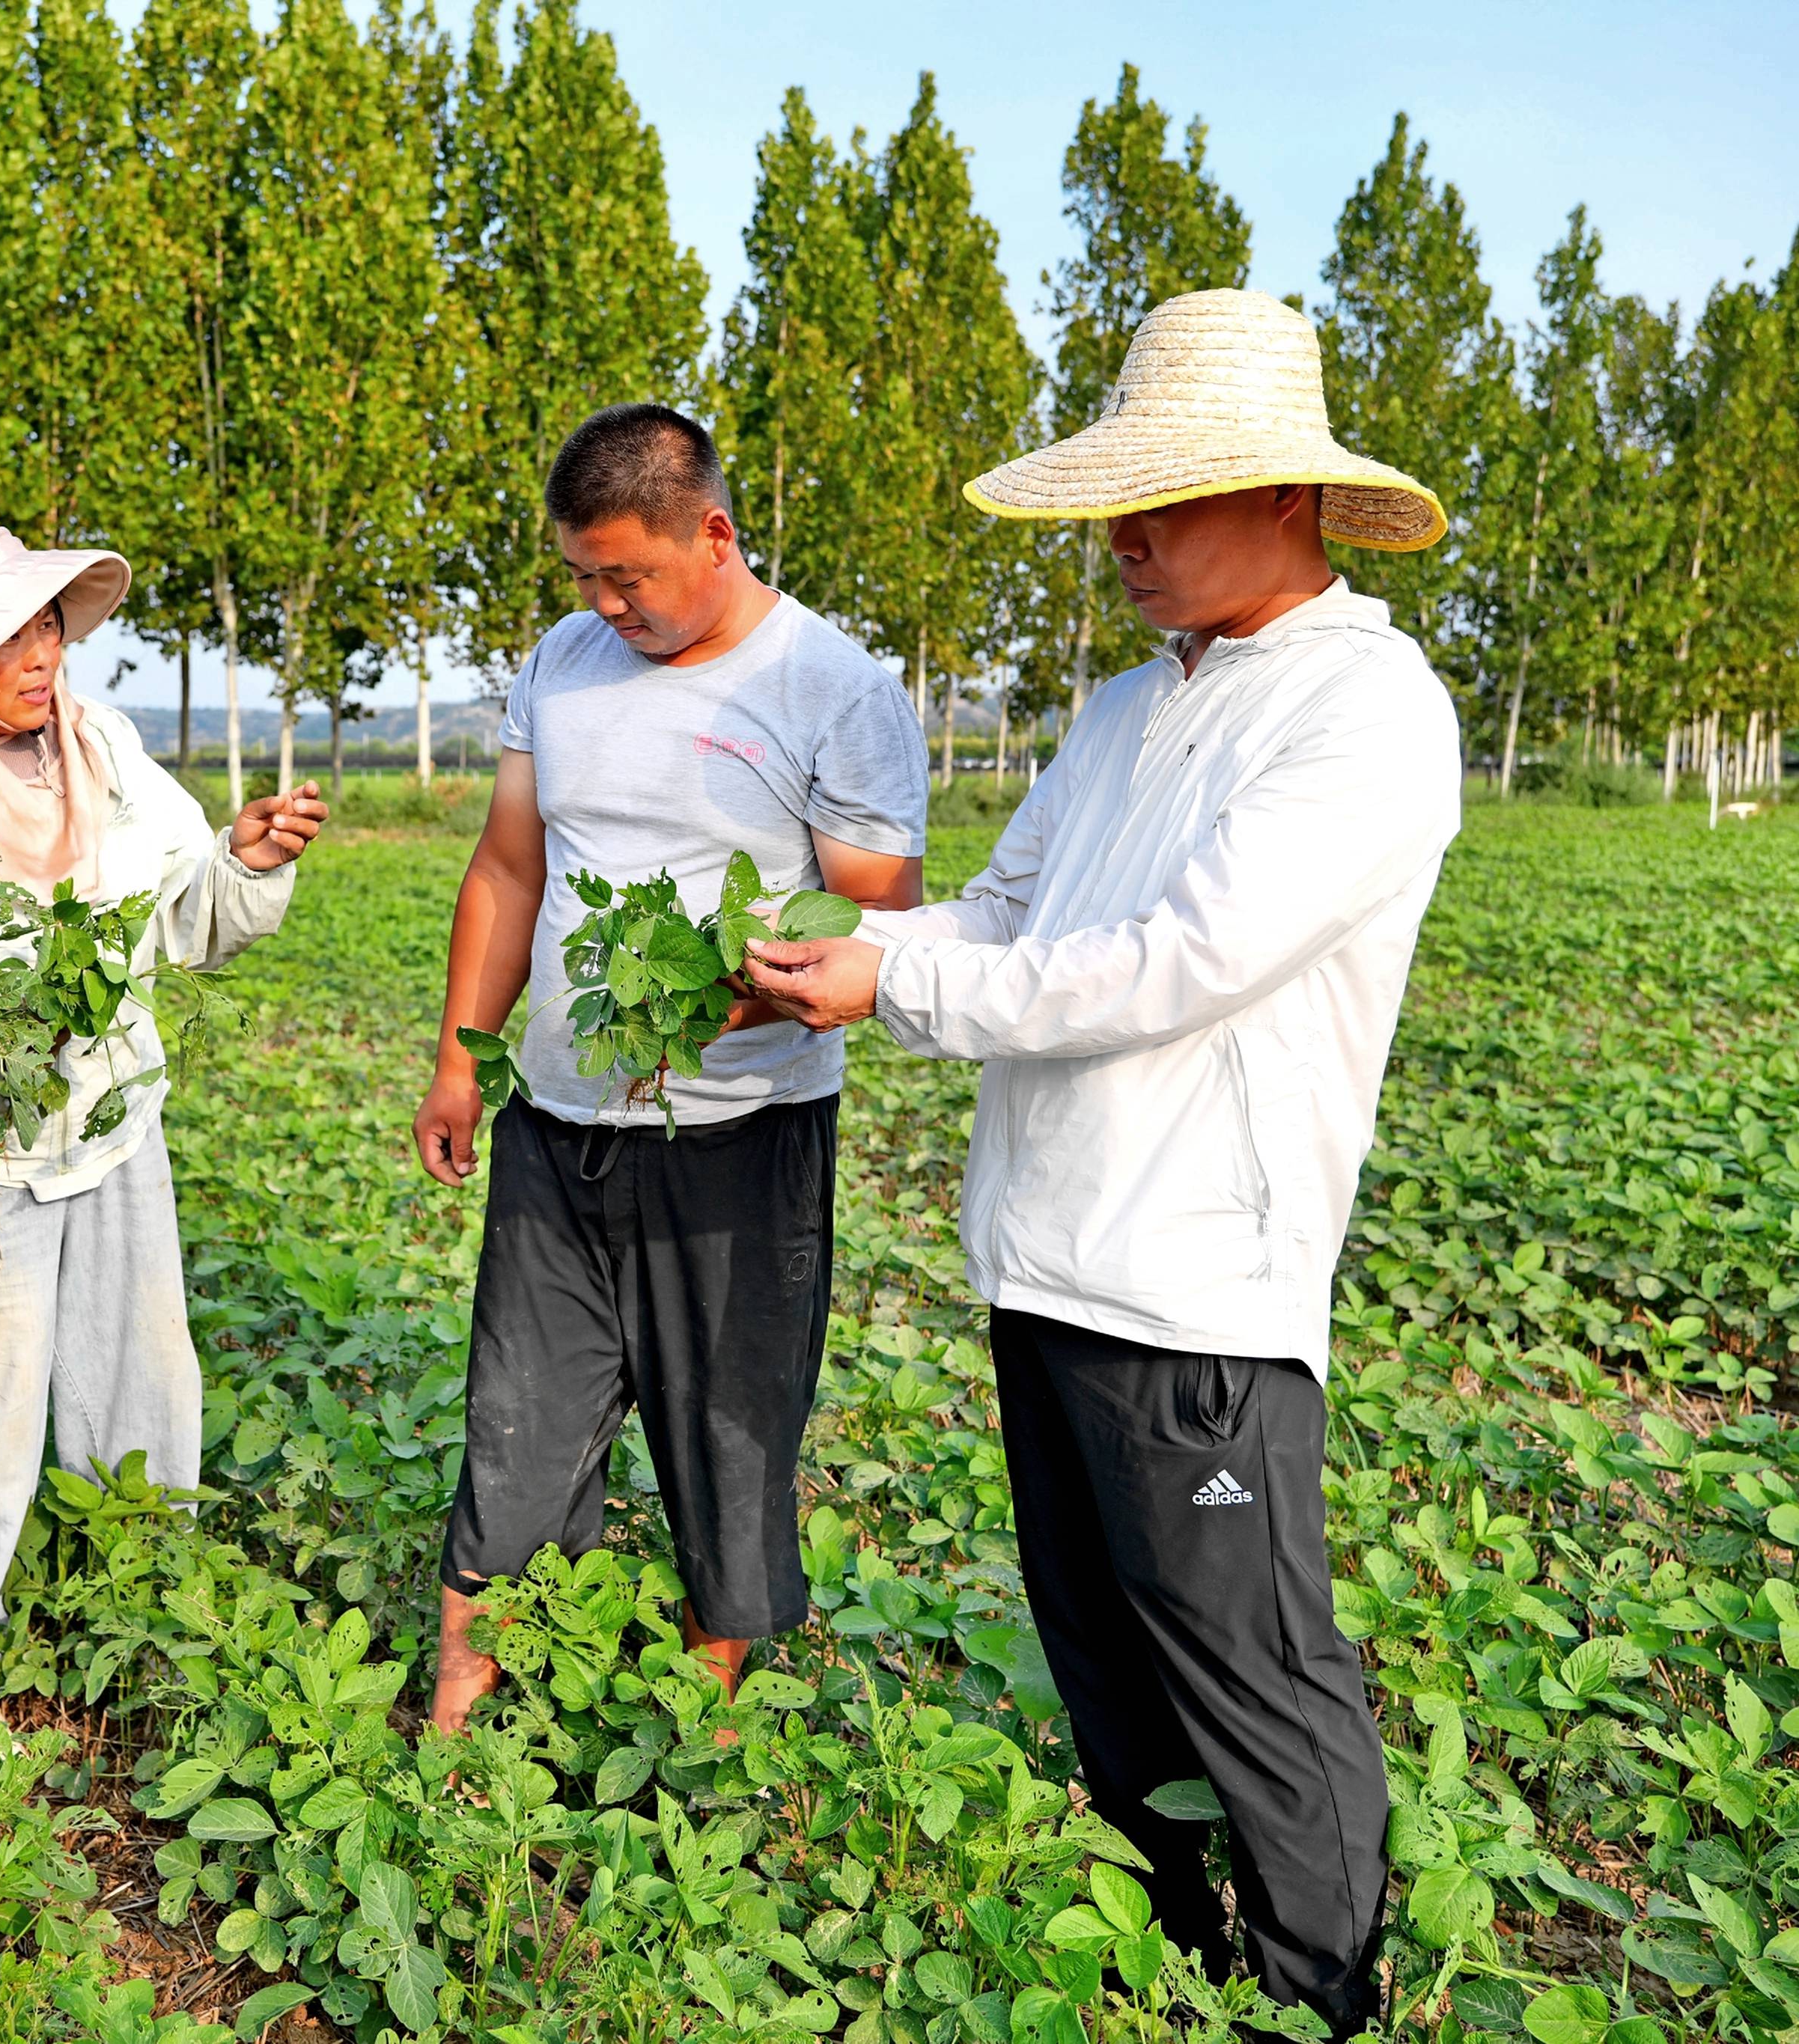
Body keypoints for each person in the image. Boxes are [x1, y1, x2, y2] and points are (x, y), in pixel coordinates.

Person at [744, 287, 1462, 2037]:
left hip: (1196, 1282)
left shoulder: (1362, 712)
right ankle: (1177, 1961)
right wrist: (829, 944)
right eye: (1111, 508)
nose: (1124, 542)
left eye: (1163, 501)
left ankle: (1317, 1996)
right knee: (1105, 1655)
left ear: (1286, 499)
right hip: (1046, 1251)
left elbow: (1175, 961)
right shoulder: (1130, 705)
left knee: (1249, 1668)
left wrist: (894, 978)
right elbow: (1008, 907)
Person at [415, 403, 927, 1734]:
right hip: (558, 1129)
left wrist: (732, 1011)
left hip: (740, 1144)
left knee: (730, 1434)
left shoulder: (836, 691)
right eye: (581, 574)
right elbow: (510, 868)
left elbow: (876, 931)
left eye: (625, 575)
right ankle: (460, 1715)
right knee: (515, 1423)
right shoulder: (564, 664)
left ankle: (696, 1737)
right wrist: (464, 1060)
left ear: (714, 532)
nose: (602, 604)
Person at [0, 507, 327, 1685]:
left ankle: (143, 1628)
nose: (45, 654)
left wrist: (246, 861)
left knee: (139, 1391)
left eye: (48, 623)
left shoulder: (108, 751)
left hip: (113, 1133)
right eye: (10, 636)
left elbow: (190, 915)